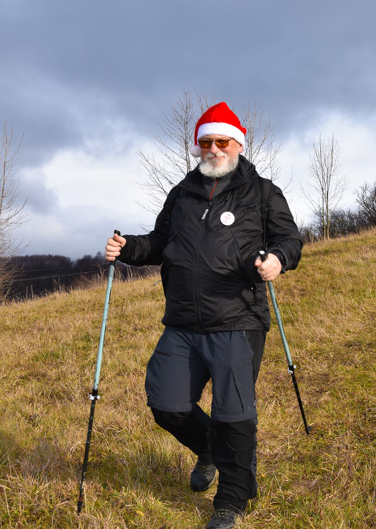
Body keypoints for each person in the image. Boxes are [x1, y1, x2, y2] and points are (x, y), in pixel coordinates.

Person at [104, 102, 303, 529]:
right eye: (206, 142)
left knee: (234, 414)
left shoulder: (263, 192)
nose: (213, 148)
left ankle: (231, 499)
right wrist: (129, 248)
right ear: (198, 146)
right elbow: (161, 242)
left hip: (238, 319)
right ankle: (210, 450)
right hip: (182, 321)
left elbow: (290, 238)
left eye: (222, 141)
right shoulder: (181, 193)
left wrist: (278, 260)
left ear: (237, 145)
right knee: (166, 403)